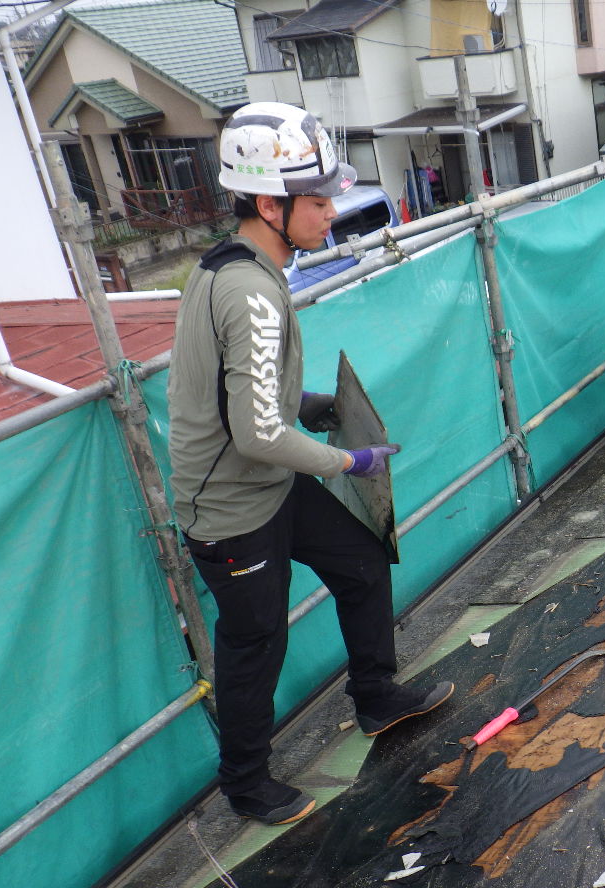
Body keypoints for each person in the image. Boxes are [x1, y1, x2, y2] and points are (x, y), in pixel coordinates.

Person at [167, 102, 453, 825]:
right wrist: (346, 458)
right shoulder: (252, 293)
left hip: (265, 484)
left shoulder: (236, 268)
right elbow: (259, 430)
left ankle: (377, 698)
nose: (332, 213)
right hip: (232, 510)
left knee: (360, 559)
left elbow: (258, 391)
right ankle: (247, 784)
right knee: (255, 642)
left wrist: (318, 401)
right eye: (318, 201)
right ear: (270, 203)